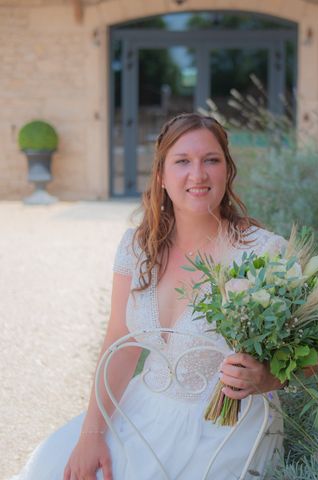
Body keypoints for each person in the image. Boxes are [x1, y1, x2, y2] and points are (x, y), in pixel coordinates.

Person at [13, 113, 289, 480]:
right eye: (182, 162)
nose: (198, 174)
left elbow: (306, 360)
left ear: (227, 170)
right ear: (161, 175)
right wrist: (91, 435)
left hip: (227, 428)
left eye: (211, 160)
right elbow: (119, 343)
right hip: (145, 408)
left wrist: (266, 379)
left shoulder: (264, 253)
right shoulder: (136, 247)